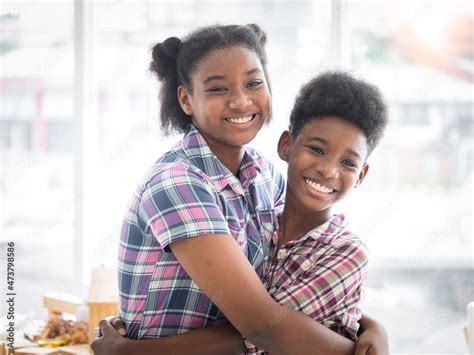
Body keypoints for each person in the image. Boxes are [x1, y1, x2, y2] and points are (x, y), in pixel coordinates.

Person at [92, 24, 388, 354]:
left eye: (253, 83)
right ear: (187, 99)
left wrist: (370, 326)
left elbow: (289, 293)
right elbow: (262, 326)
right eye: (218, 89)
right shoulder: (177, 183)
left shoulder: (263, 175)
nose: (240, 100)